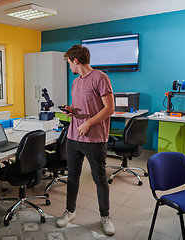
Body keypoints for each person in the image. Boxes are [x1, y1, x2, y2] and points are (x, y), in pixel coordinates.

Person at [56, 44, 115, 236]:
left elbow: (109, 109)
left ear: (76, 60)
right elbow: (77, 105)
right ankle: (70, 212)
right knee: (72, 176)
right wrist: (71, 109)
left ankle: (105, 216)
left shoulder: (100, 78)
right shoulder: (75, 82)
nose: (69, 67)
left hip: (95, 139)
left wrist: (88, 123)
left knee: (100, 179)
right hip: (74, 136)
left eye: (69, 63)